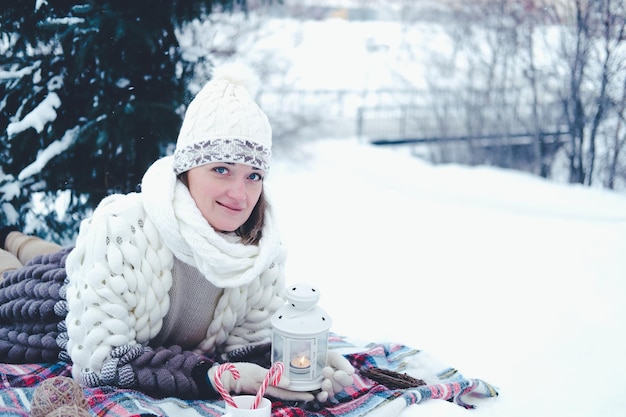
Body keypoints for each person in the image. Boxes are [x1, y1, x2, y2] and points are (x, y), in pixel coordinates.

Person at [0, 63, 354, 402]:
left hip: (89, 264)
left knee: (54, 252)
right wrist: (215, 377)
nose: (240, 194)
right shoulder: (124, 224)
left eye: (253, 176)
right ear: (187, 170)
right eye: (221, 169)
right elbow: (98, 363)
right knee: (12, 272)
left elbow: (247, 347)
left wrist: (302, 365)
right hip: (56, 301)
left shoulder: (261, 254)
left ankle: (14, 237)